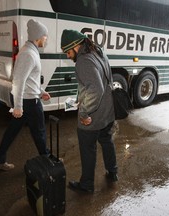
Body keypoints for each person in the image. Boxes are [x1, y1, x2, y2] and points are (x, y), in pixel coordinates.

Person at [60, 29, 118, 193]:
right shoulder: (98, 52)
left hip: (93, 117)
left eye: (67, 51)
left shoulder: (83, 61)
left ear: (75, 46)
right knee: (107, 141)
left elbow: (96, 90)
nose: (67, 55)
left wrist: (84, 112)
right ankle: (112, 172)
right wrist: (79, 99)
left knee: (88, 149)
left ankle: (86, 185)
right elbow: (103, 82)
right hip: (107, 112)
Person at [0, 19, 51, 171]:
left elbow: (30, 79)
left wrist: (41, 92)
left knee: (13, 131)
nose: (46, 39)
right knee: (39, 131)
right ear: (38, 36)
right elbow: (18, 81)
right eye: (45, 36)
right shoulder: (28, 54)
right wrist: (18, 106)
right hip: (28, 101)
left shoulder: (31, 51)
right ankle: (46, 159)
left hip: (28, 98)